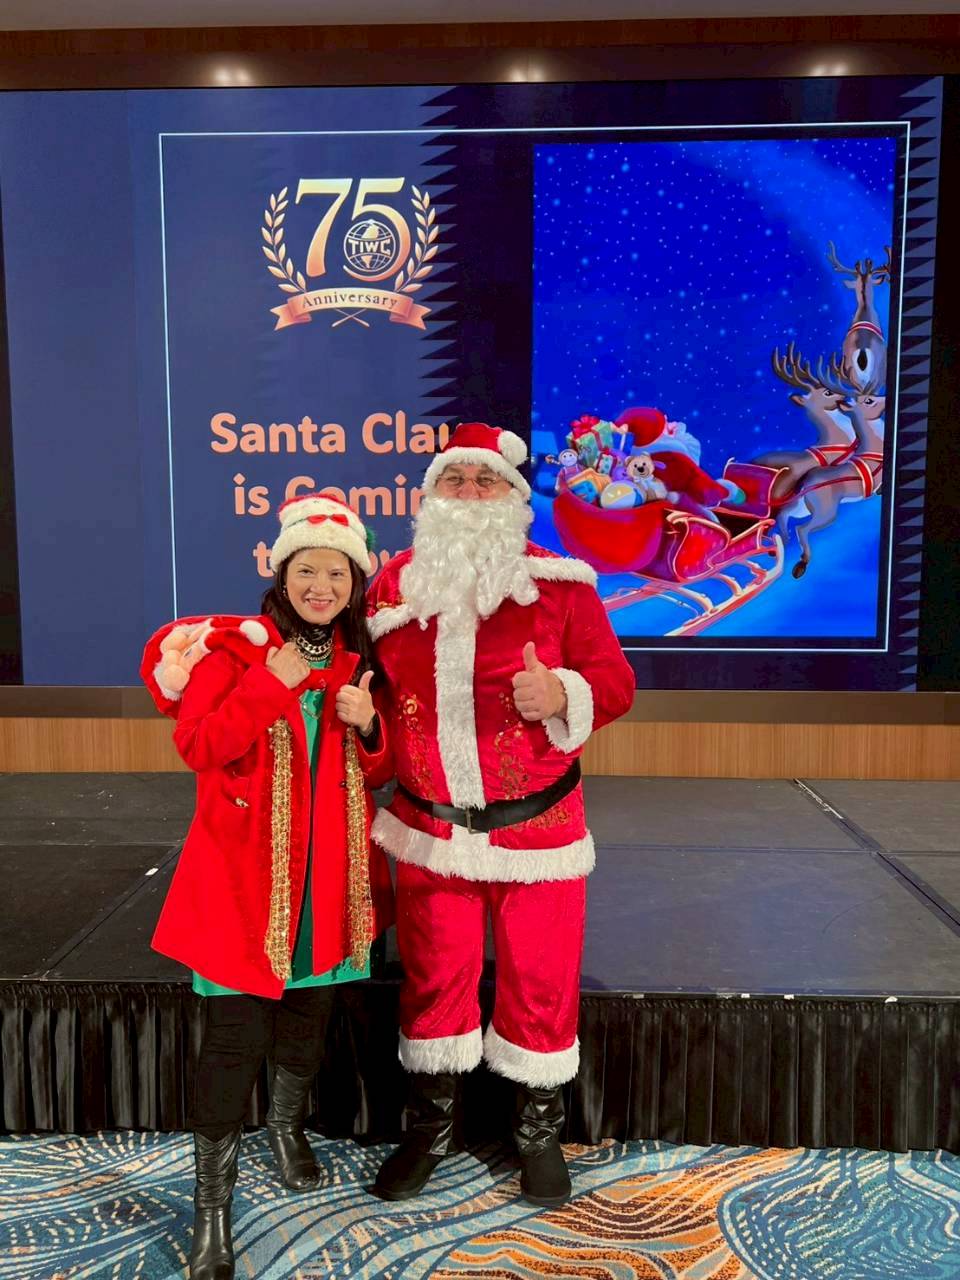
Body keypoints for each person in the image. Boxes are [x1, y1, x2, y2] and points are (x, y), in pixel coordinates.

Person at [366, 422, 635, 1208]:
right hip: (431, 832)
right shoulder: (392, 588)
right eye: (455, 480)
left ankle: (538, 1133)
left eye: (487, 481)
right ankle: (430, 1129)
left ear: (516, 497)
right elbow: (372, 700)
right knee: (432, 982)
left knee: (541, 983)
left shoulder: (563, 585)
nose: (470, 493)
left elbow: (615, 683)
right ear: (430, 497)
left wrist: (561, 693)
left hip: (537, 833)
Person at [140, 493, 393, 1280]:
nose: (322, 586)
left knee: (307, 1023)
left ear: (354, 584)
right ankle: (211, 1210)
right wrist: (268, 685)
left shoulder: (357, 661)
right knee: (232, 1045)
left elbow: (378, 770)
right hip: (244, 887)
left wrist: (370, 724)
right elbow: (199, 746)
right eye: (307, 571)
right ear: (282, 576)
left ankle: (286, 1129)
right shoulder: (235, 655)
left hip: (328, 886)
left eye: (337, 574)